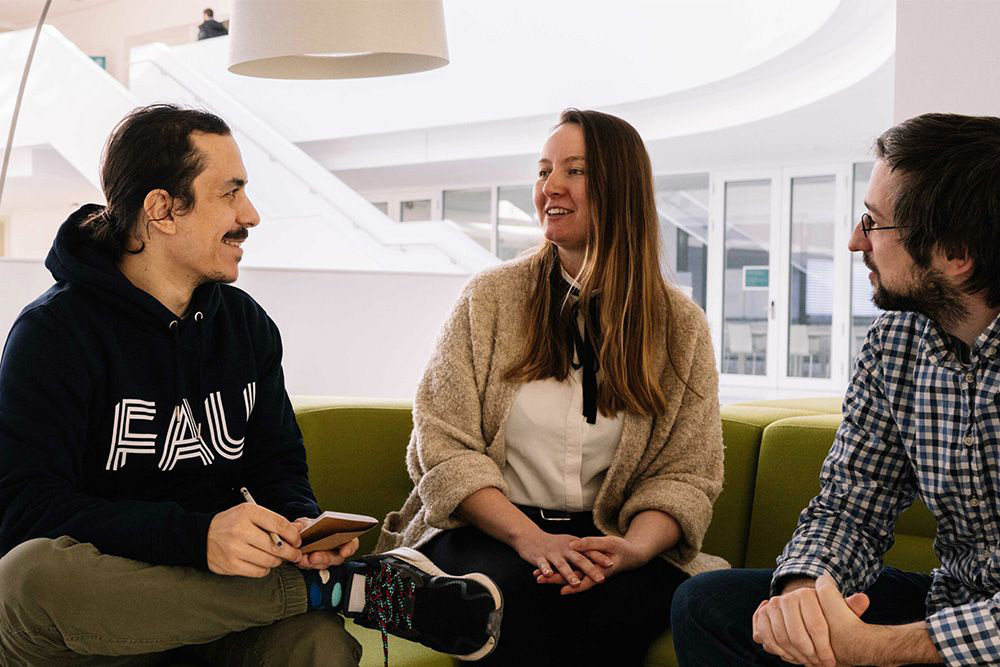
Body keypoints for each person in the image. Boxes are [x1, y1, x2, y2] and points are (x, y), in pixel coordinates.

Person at [0, 104, 502, 666]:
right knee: (27, 578)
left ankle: (330, 587)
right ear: (162, 209)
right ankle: (349, 590)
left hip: (225, 621)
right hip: (107, 623)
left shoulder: (245, 326)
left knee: (318, 644)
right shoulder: (54, 334)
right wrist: (196, 538)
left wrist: (303, 528)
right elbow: (25, 511)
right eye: (229, 193)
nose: (251, 215)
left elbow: (278, 468)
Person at [376, 108, 725, 665]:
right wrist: (529, 539)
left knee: (624, 608)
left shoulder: (679, 326)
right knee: (517, 597)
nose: (550, 187)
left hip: (607, 535)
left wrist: (632, 550)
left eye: (575, 171)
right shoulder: (489, 299)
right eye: (544, 171)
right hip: (490, 529)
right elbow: (441, 446)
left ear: (621, 189)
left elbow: (685, 473)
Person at [671, 113, 1000, 667]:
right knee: (707, 603)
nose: (854, 241)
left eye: (873, 223)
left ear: (956, 253)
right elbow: (851, 504)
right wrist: (801, 596)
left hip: (979, 632)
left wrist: (880, 648)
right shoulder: (898, 337)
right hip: (953, 598)